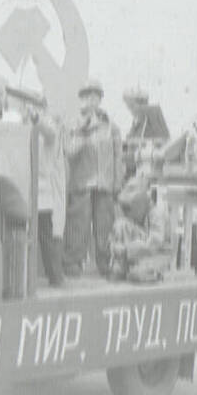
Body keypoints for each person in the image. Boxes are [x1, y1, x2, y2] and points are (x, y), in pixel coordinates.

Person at [64, 81, 123, 278]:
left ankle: (105, 264)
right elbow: (69, 152)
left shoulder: (111, 125)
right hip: (81, 184)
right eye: (87, 96)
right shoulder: (72, 123)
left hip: (104, 184)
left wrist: (117, 183)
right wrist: (83, 129)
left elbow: (118, 156)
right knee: (78, 226)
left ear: (100, 99)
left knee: (105, 226)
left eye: (95, 96)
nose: (91, 100)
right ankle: (73, 263)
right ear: (80, 100)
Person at [8, 87, 66, 288]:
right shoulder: (17, 127)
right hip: (21, 191)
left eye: (33, 104)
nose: (27, 108)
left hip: (41, 192)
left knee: (46, 238)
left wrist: (35, 118)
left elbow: (49, 132)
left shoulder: (47, 128)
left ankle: (56, 278)